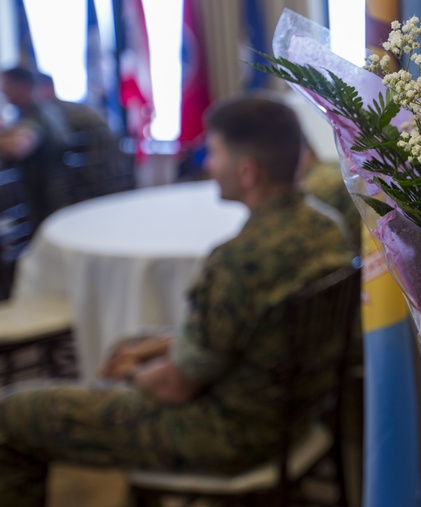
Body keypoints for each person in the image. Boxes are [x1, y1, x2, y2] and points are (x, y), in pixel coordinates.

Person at [0, 95, 356, 507]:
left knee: (11, 415)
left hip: (224, 435)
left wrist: (132, 373)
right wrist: (147, 350)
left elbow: (173, 387)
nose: (207, 164)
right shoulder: (326, 227)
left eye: (215, 153)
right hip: (293, 413)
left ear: (248, 171)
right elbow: (241, 331)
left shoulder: (238, 261)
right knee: (130, 343)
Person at [35, 73, 134, 200]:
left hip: (95, 171)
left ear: (46, 88)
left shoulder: (53, 110)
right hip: (112, 169)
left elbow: (63, 141)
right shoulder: (69, 107)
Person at [0, 67, 70, 225]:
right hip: (57, 194)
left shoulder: (36, 113)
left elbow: (18, 146)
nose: (3, 90)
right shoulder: (47, 109)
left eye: (6, 85)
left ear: (22, 86)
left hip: (44, 202)